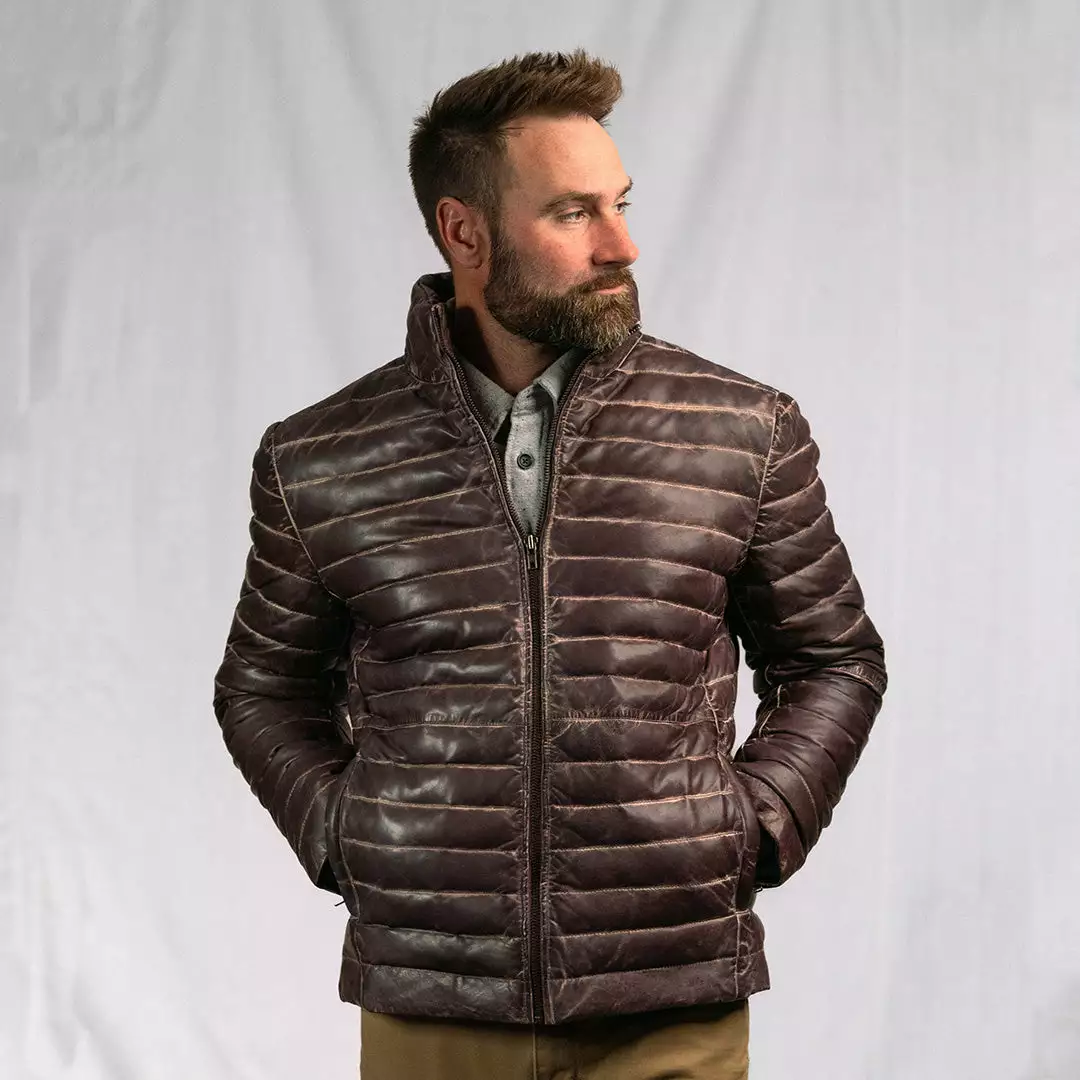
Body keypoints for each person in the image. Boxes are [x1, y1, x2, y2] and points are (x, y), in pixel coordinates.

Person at [212, 48, 888, 1080]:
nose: (623, 244)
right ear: (465, 233)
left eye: (619, 203)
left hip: (671, 999)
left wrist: (748, 829)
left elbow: (834, 658)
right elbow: (263, 686)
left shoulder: (741, 431)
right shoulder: (323, 458)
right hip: (435, 1000)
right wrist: (351, 837)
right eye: (574, 214)